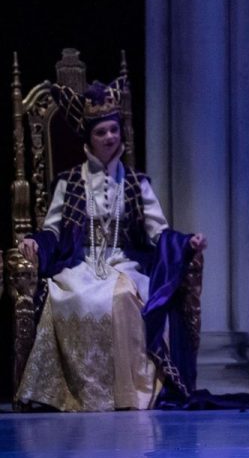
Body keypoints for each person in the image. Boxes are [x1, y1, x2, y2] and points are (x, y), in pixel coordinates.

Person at [17, 80, 206, 411]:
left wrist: (186, 242)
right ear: (89, 138)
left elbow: (158, 231)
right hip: (80, 264)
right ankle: (75, 394)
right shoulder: (69, 181)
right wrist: (34, 241)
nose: (109, 137)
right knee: (69, 296)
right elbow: (52, 229)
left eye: (113, 130)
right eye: (101, 132)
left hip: (123, 264)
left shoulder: (136, 182)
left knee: (121, 297)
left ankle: (128, 392)